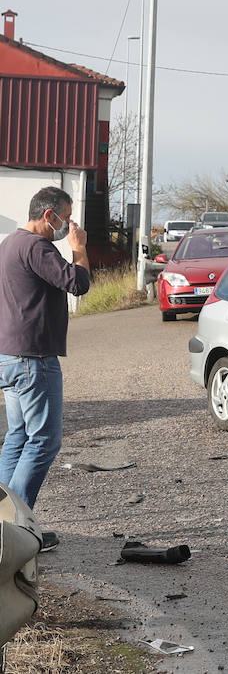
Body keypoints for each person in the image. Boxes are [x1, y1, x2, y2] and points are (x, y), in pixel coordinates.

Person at [0, 187, 90, 551]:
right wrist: (79, 247)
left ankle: (4, 520)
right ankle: (16, 531)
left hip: (9, 355)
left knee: (17, 438)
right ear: (49, 214)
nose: (67, 225)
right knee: (44, 440)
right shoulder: (38, 248)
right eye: (65, 218)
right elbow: (77, 283)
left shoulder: (8, 245)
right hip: (32, 358)